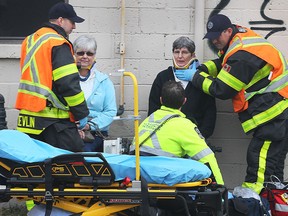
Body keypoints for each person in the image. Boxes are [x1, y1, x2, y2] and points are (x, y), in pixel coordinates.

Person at [175, 14, 288, 194]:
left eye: (217, 36)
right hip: (279, 108)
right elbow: (224, 62)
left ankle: (253, 201)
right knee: (273, 168)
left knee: (259, 162)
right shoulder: (239, 37)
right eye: (211, 37)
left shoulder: (242, 55)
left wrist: (195, 77)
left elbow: (222, 90)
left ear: (228, 30)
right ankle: (273, 202)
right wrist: (204, 68)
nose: (214, 41)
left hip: (272, 114)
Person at [15, 2, 89, 152]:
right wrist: (82, 113)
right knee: (73, 166)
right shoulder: (58, 42)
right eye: (72, 22)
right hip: (53, 121)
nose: (74, 27)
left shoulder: (30, 40)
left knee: (33, 170)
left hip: (28, 119)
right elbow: (68, 82)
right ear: (61, 20)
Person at [130, 80, 224, 184]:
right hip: (163, 177)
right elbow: (207, 157)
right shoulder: (184, 125)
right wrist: (220, 188)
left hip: (140, 176)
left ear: (161, 100)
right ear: (184, 101)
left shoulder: (149, 120)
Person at [148, 36, 216, 139]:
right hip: (165, 136)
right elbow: (153, 109)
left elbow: (210, 113)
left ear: (193, 55)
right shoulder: (162, 77)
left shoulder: (201, 79)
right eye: (176, 52)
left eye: (184, 52)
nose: (180, 56)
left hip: (193, 137)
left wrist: (201, 136)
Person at [73, 35, 117, 152]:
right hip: (70, 130)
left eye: (89, 53)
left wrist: (88, 126)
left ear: (95, 56)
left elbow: (110, 112)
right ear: (74, 55)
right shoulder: (65, 79)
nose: (85, 57)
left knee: (84, 153)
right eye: (80, 53)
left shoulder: (104, 81)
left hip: (95, 134)